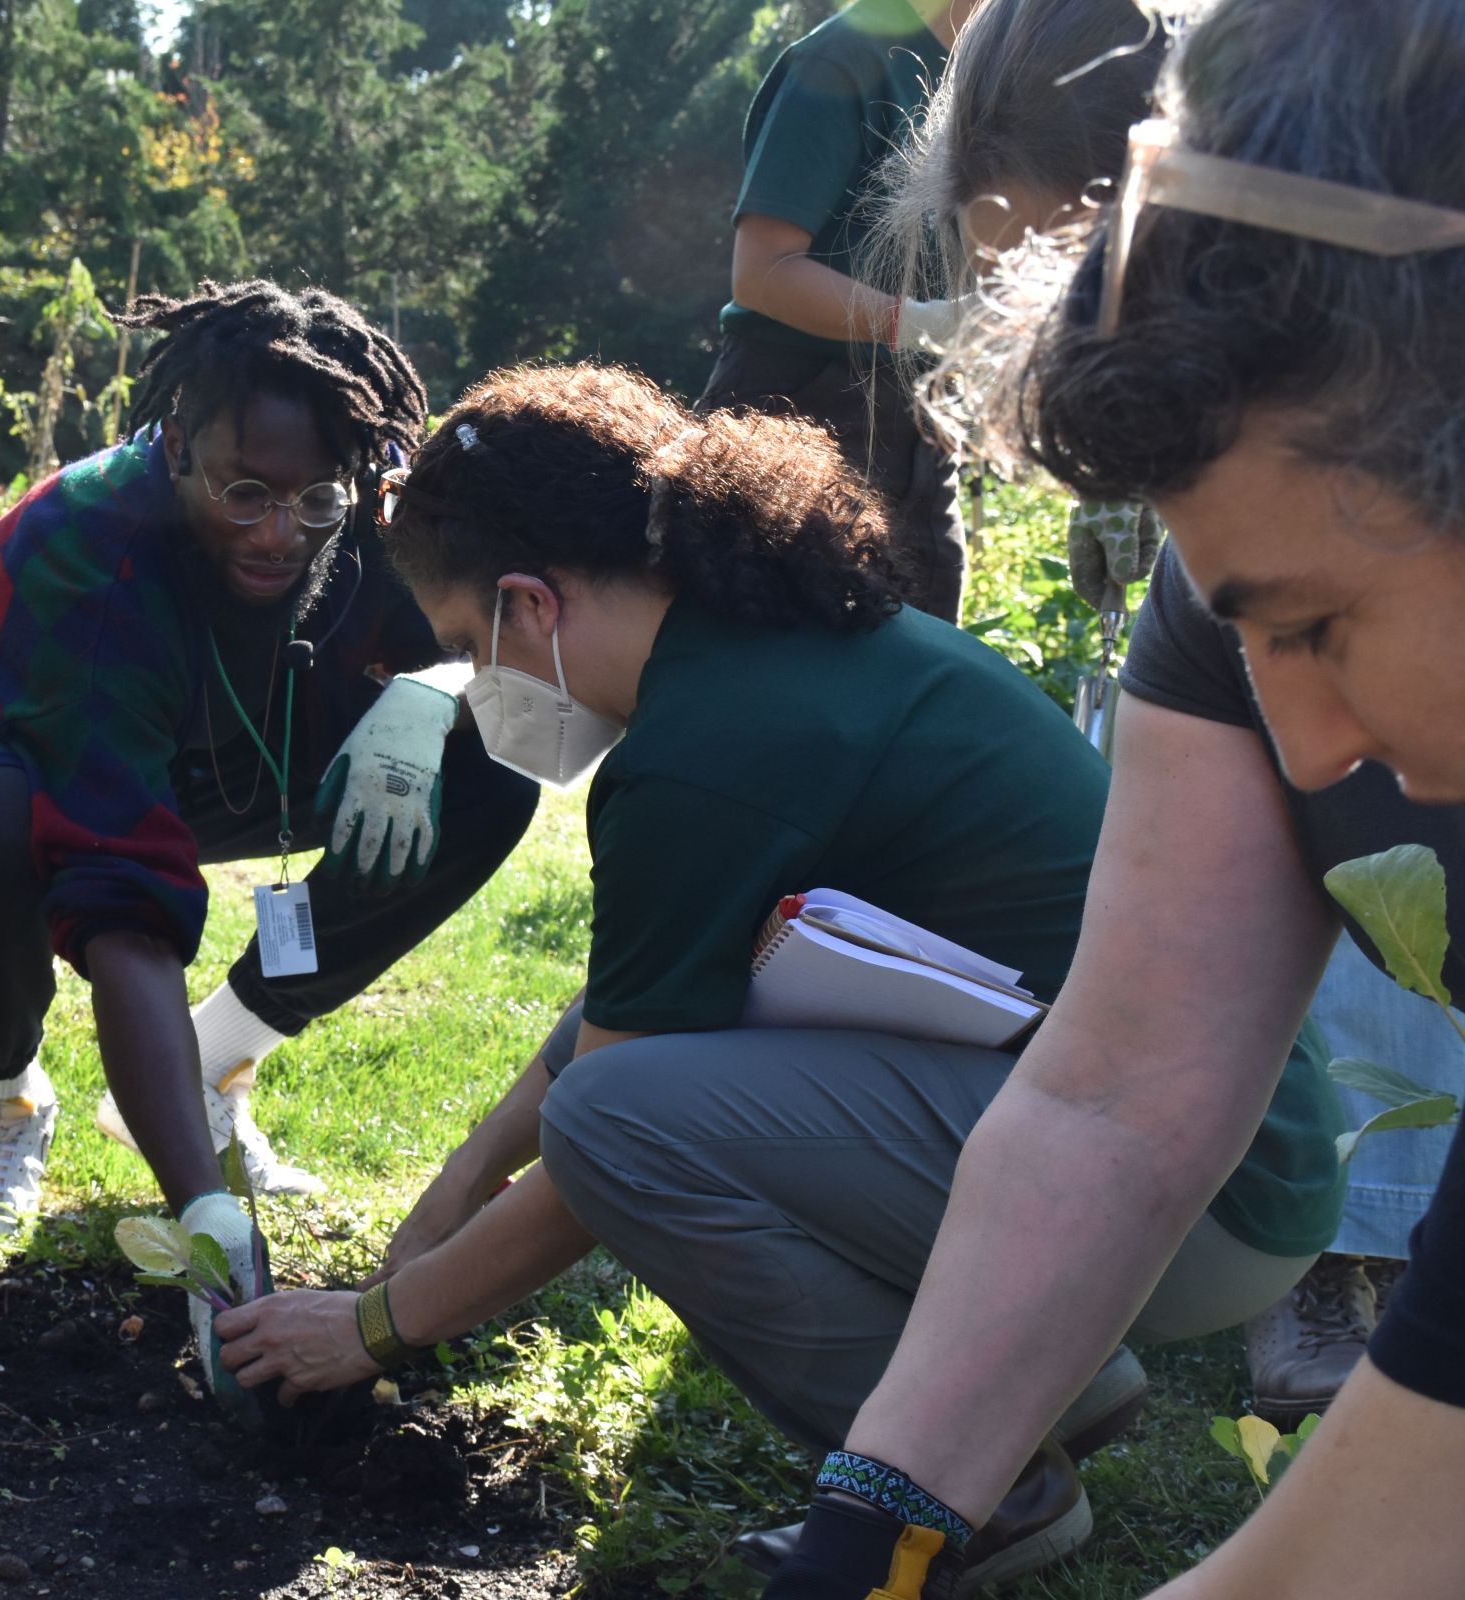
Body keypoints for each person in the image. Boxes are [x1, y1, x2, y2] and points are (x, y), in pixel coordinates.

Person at [210, 362, 1343, 1593]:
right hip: (1234, 1147)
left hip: (1187, 1197)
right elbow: (648, 995)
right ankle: (1051, 1383)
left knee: (617, 1127)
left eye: (460, 650)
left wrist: (378, 1326)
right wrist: (464, 1174)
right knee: (630, 1095)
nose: (479, 695)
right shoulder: (763, 651)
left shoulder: (702, 755)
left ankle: (986, 1481)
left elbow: (608, 1135)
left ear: (528, 605)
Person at [752, 2, 1465, 1596]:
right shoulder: (1270, 538)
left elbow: (1386, 1541)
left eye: (1318, 625)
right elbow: (1115, 1091)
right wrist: (877, 1527)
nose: (1309, 750)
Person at [0, 279, 539, 1395]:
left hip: (244, 738)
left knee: (490, 764)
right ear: (174, 448)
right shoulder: (91, 551)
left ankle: (215, 1060)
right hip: (3, 726)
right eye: (243, 490)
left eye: (314, 504)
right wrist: (202, 1206)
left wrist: (437, 689)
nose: (275, 532)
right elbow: (122, 903)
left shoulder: (371, 503)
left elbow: (515, 634)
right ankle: (8, 1097)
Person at [702, 0, 983, 621]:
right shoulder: (843, 60)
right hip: (793, 424)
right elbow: (763, 274)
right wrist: (924, 323)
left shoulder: (986, 71)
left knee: (924, 682)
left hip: (921, 428)